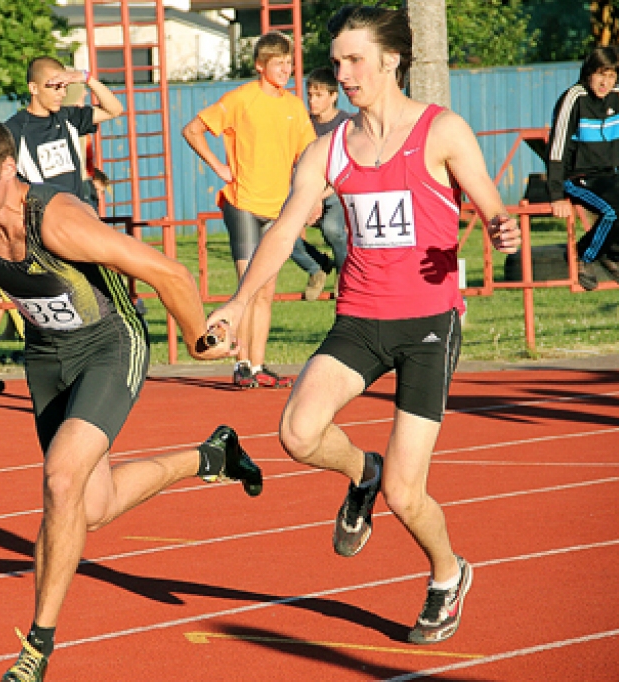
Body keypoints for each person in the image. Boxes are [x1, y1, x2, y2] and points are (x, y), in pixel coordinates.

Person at [204, 5, 520, 645]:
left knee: (409, 495)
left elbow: (493, 211)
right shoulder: (329, 150)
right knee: (297, 431)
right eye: (337, 60)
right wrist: (238, 303)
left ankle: (446, 572)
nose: (341, 73)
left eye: (354, 60)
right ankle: (361, 473)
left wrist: (503, 231)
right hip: (360, 318)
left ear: (391, 60)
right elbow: (287, 226)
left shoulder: (442, 132)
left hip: (429, 323)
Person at [0, 115, 263, 681]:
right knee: (93, 507)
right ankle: (213, 457)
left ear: (8, 170)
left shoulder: (58, 223)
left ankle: (37, 647)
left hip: (110, 344)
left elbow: (169, 271)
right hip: (47, 359)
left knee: (61, 479)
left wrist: (199, 338)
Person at [182, 32, 317, 389]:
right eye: (278, 64)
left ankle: (257, 365)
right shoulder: (241, 99)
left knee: (266, 291)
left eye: (289, 64)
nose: (286, 70)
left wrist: (313, 198)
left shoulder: (294, 107)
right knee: (248, 287)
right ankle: (240, 361)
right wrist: (218, 167)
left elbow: (309, 156)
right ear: (260, 65)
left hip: (278, 207)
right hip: (242, 202)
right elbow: (193, 129)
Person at [546, 45, 619, 290]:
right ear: (589, 72)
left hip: (610, 175)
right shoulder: (574, 98)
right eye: (601, 74)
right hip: (578, 176)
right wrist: (556, 195)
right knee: (612, 211)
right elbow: (557, 148)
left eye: (611, 76)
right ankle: (584, 255)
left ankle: (612, 255)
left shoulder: (617, 97)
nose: (605, 82)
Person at [5, 56, 124, 203]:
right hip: (43, 219)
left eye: (64, 87)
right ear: (33, 88)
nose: (62, 93)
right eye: (55, 87)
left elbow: (114, 110)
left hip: (77, 212)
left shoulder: (68, 117)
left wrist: (86, 78)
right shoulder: (13, 130)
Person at [295, 66, 353, 300]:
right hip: (308, 191)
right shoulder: (303, 124)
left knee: (331, 228)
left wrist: (320, 196)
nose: (312, 100)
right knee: (278, 232)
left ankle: (345, 273)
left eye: (318, 95)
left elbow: (347, 166)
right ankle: (316, 267)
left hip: (336, 190)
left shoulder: (346, 124)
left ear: (333, 96)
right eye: (309, 94)